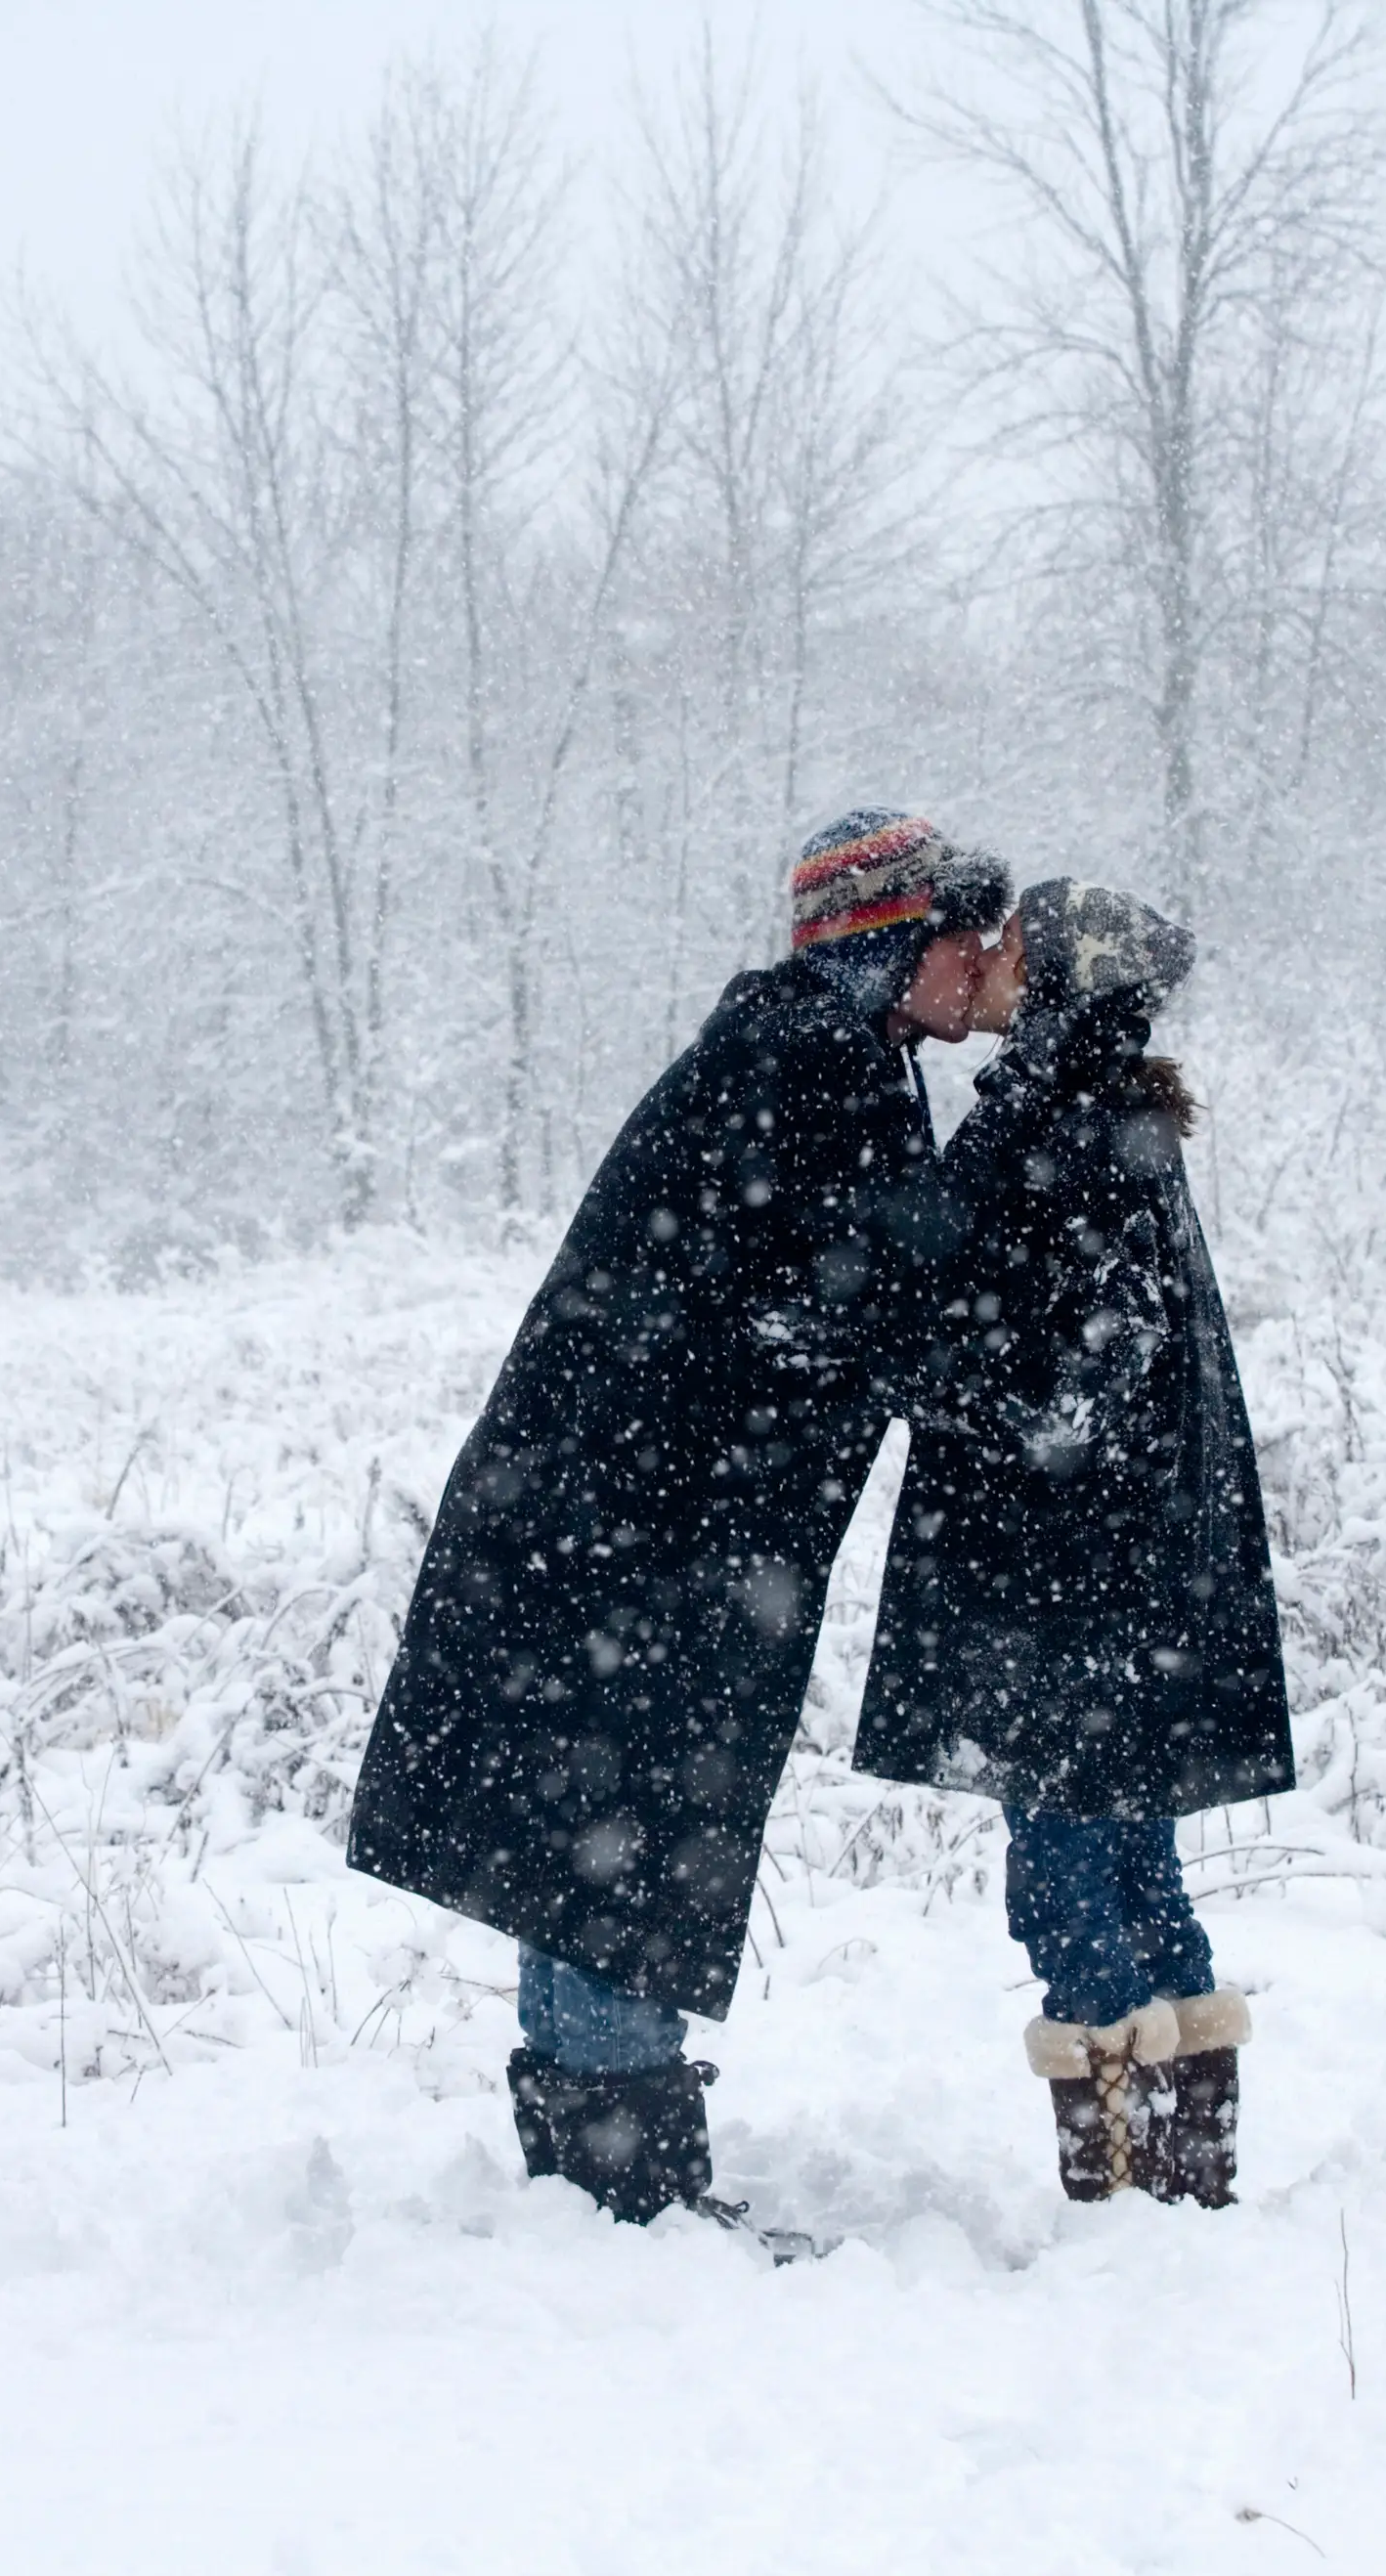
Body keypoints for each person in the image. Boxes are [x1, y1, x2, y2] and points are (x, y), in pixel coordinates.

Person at [346, 808, 1011, 2225]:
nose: (983, 960)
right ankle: (617, 2188)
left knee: (595, 1824)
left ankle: (596, 2179)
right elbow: (873, 1302)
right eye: (962, 932)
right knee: (619, 1826)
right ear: (890, 942)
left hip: (616, 1518)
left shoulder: (812, 1051)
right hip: (641, 1531)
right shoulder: (817, 1065)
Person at [854, 877, 1295, 2207]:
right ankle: (1185, 2168)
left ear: (1061, 984)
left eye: (1013, 942)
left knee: (1066, 1880)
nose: (986, 955)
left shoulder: (1063, 1124)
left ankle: (1122, 2185)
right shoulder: (1104, 1114)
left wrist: (917, 1367)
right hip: (1115, 1575)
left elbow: (1075, 1378)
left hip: (1057, 1580)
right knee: (1134, 1865)